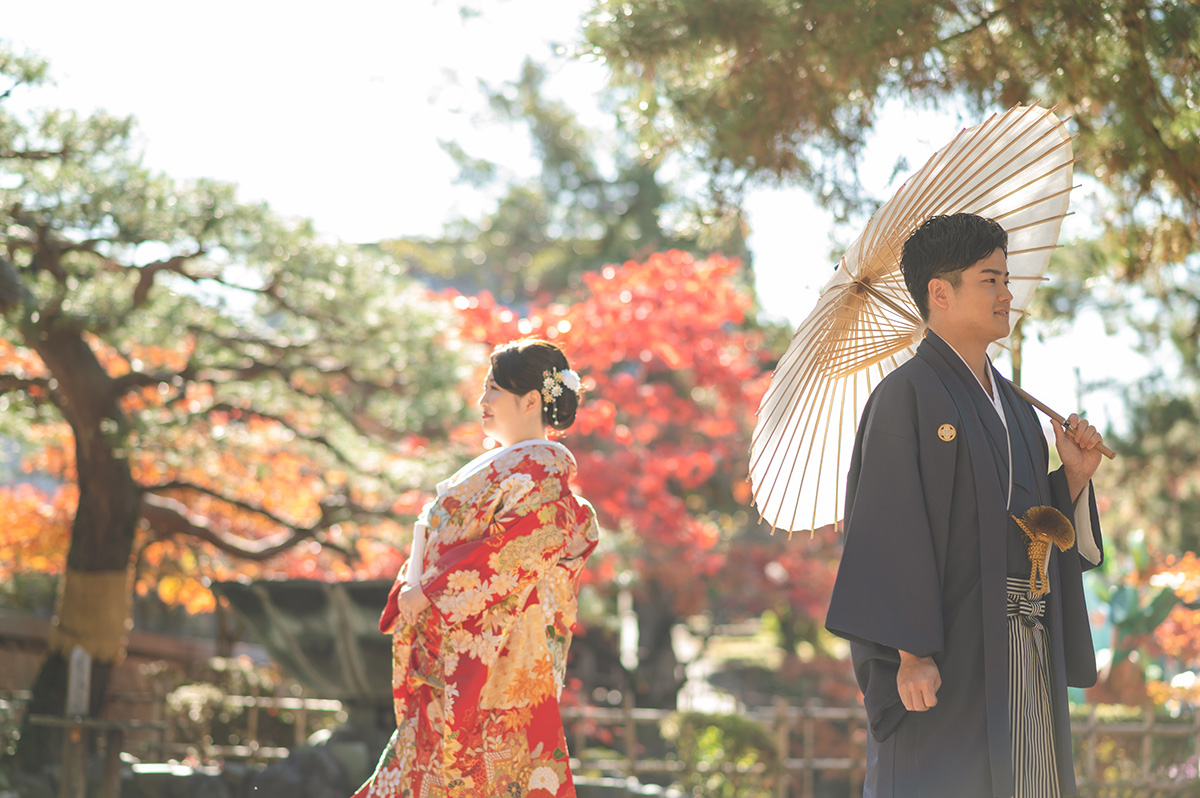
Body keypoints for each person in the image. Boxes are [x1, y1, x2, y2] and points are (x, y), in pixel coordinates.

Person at [825, 213, 1105, 798]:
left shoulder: (1018, 409)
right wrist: (910, 651)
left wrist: (1072, 481)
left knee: (1028, 779)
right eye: (990, 280)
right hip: (948, 651)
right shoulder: (905, 396)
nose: (1007, 294)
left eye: (1006, 279)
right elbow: (888, 527)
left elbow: (1025, 527)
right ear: (940, 293)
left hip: (1024, 643)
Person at [352, 338, 600, 798]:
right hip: (453, 638)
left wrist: (429, 592)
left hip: (496, 654)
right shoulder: (502, 467)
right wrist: (415, 582)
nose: (481, 402)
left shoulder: (543, 473)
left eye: (493, 391)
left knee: (483, 769)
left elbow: (514, 553)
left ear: (530, 401)